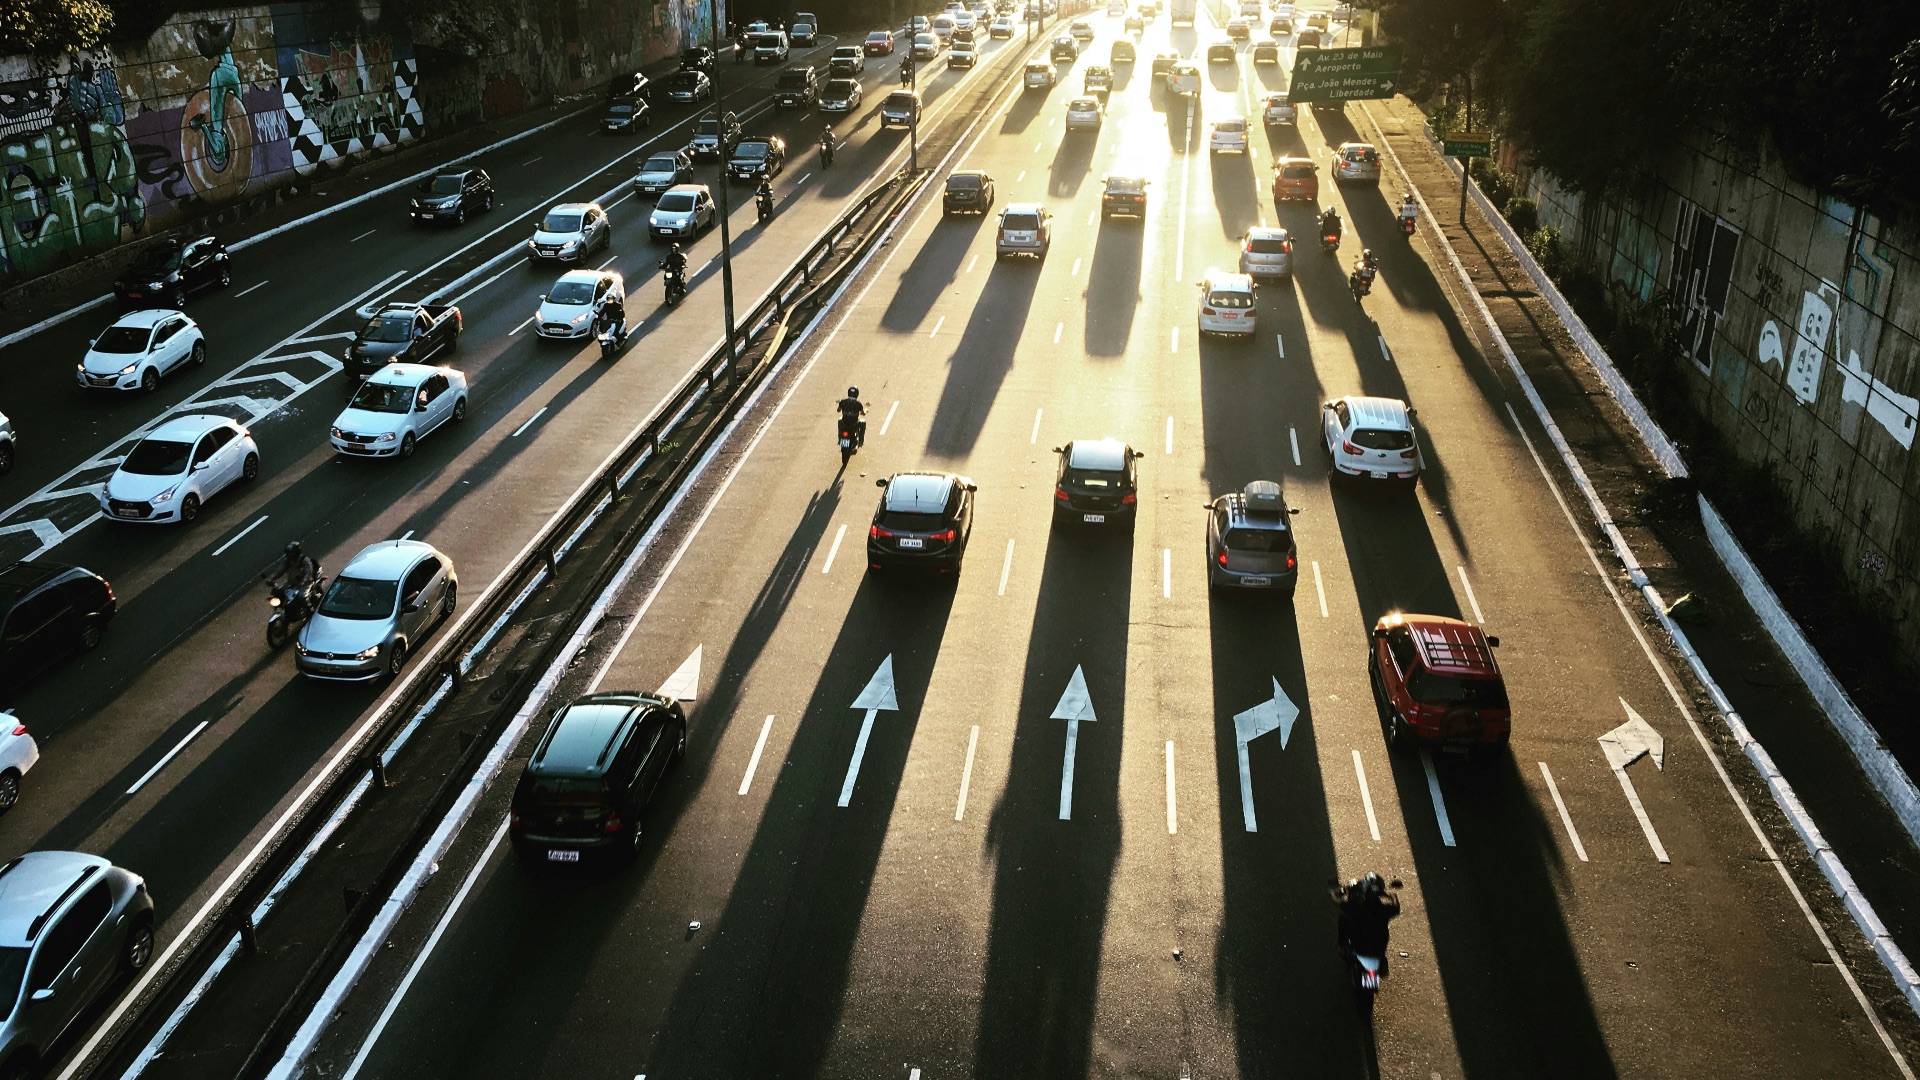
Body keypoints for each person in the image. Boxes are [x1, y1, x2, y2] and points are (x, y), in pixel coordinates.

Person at [1332, 873, 1400, 958]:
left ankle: (1342, 948)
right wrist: (1392, 896)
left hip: (1359, 948)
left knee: (1343, 918)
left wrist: (1340, 890)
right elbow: (1396, 907)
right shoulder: (1385, 909)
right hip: (1379, 949)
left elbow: (1336, 900)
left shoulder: (1356, 908)